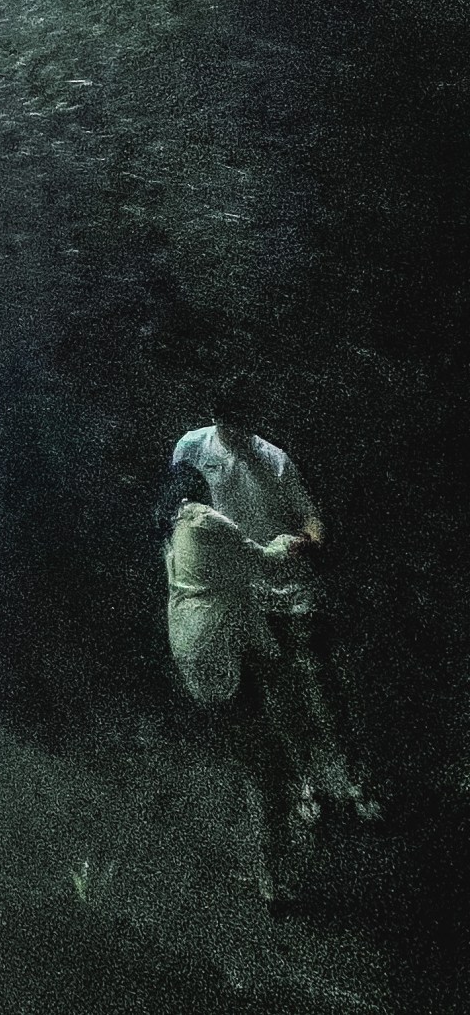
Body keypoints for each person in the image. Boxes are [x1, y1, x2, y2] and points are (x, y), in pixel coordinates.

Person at [172, 378, 377, 820]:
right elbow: (182, 513)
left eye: (245, 424)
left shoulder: (274, 460)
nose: (238, 435)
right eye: (230, 425)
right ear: (215, 419)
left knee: (323, 689)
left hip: (293, 590)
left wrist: (307, 540)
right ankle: (308, 784)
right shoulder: (190, 449)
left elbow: (309, 517)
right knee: (278, 694)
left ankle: (353, 782)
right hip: (244, 596)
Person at [158, 460, 317, 907]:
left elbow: (226, 578)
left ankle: (274, 861)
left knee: (257, 755)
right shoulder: (202, 520)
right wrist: (296, 541)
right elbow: (263, 562)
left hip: (194, 655)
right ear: (198, 488)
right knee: (266, 767)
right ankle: (274, 877)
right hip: (222, 653)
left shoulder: (170, 535)